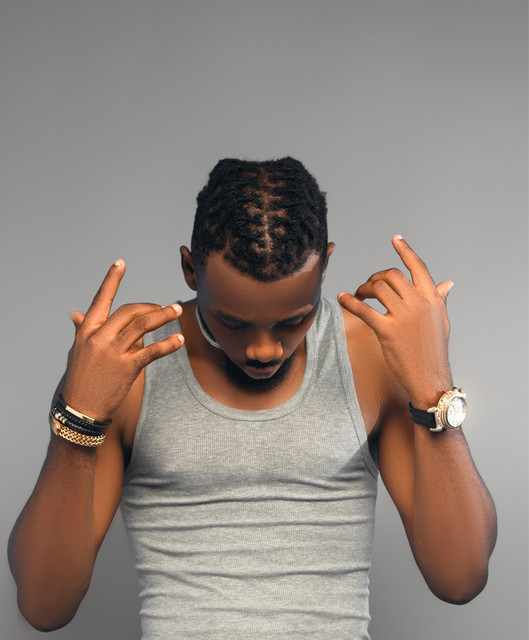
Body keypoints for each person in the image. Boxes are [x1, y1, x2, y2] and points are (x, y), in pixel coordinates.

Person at [8, 157, 496, 639]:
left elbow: (460, 578)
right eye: (234, 323)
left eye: (293, 320)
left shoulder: (369, 355)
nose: (265, 350)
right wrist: (81, 414)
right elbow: (45, 606)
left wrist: (433, 384)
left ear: (325, 266)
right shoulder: (129, 366)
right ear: (190, 270)